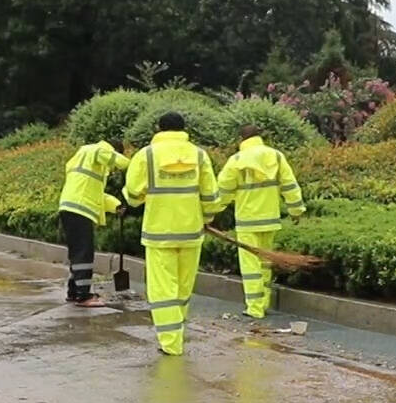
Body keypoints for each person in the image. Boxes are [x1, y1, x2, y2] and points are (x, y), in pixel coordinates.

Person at [121, 112, 222, 355]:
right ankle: (178, 332)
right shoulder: (198, 155)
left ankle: (171, 342)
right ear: (184, 129)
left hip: (159, 232)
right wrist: (207, 217)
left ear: (159, 128)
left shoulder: (146, 155)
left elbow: (133, 196)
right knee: (183, 287)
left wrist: (135, 194)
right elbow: (210, 195)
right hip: (190, 231)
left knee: (163, 290)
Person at [217, 125, 305, 319]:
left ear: (242, 139)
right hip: (270, 219)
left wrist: (209, 213)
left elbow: (223, 191)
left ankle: (254, 308)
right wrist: (296, 210)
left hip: (248, 220)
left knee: (250, 265)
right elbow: (289, 184)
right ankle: (264, 302)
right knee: (266, 262)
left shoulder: (237, 160)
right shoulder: (276, 156)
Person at [56, 138, 130, 306]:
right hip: (79, 209)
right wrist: (136, 164)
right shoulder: (97, 150)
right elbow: (119, 161)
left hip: (70, 207)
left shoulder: (86, 161)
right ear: (114, 150)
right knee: (84, 253)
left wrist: (116, 206)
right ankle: (83, 296)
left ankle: (74, 292)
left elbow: (97, 195)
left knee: (78, 252)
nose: (112, 170)